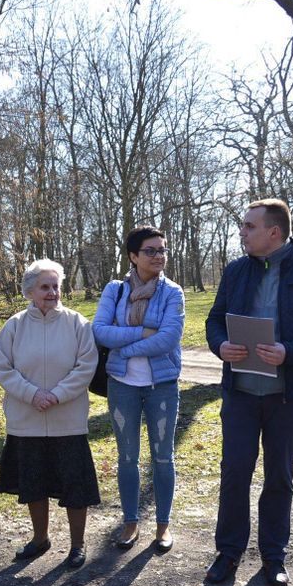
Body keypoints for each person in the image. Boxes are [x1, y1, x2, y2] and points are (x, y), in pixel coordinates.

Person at [205, 199, 293, 586]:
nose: (242, 232)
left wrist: (290, 351)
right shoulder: (235, 271)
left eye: (249, 227)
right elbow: (215, 320)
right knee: (234, 473)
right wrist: (220, 346)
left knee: (279, 477)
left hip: (289, 394)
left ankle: (273, 557)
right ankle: (228, 553)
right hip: (241, 394)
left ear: (274, 232)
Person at [0, 259, 100, 569]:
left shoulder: (77, 323)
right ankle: (40, 538)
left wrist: (56, 395)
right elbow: (2, 368)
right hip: (25, 423)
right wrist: (32, 394)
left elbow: (86, 367)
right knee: (34, 484)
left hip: (68, 421)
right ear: (29, 291)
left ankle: (77, 546)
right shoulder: (13, 326)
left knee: (74, 487)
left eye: (56, 286)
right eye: (45, 287)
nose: (52, 292)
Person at [92, 226, 185, 554]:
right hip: (122, 386)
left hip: (162, 387)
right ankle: (130, 523)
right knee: (127, 458)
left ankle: (163, 526)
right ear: (133, 256)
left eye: (162, 249)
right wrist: (144, 334)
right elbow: (101, 332)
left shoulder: (173, 292)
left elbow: (168, 338)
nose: (159, 256)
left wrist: (126, 345)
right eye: (151, 250)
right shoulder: (114, 290)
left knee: (163, 457)